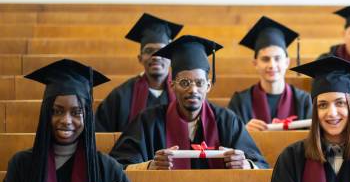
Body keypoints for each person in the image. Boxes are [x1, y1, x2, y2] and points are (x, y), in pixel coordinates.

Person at [0, 59, 155, 182]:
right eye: (57, 111)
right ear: (46, 114)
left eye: (76, 112)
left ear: (87, 117)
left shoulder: (105, 166)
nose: (66, 120)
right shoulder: (22, 164)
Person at [109, 35, 268, 170]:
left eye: (199, 83)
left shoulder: (227, 121)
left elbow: (261, 165)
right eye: (184, 83)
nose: (193, 90)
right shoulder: (148, 121)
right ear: (172, 85)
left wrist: (246, 164)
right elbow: (117, 166)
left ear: (208, 86)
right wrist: (149, 166)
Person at [95, 13, 183, 132]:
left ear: (171, 57)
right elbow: (101, 134)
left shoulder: (183, 93)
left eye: (162, 51)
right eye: (149, 51)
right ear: (140, 58)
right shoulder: (120, 96)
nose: (156, 56)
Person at [228, 16, 311, 131]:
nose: (272, 65)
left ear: (287, 62)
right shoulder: (240, 102)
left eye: (277, 58)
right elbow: (230, 139)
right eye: (265, 59)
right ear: (255, 63)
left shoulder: (304, 101)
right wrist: (244, 132)